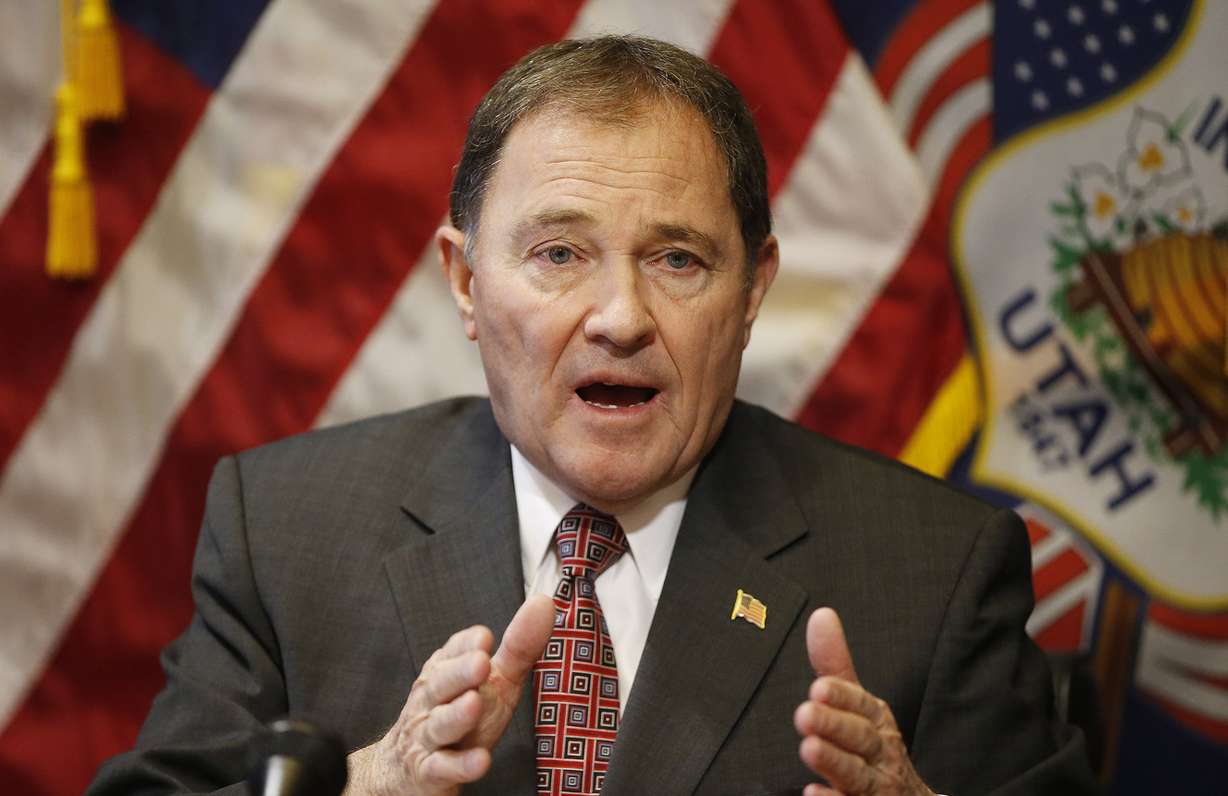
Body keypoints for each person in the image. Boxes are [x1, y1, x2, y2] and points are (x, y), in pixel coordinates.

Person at [88, 36, 1096, 795]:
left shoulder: (933, 571)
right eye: (560, 254)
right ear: (466, 281)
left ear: (752, 292)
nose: (620, 317)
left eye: (678, 260)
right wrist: (365, 782)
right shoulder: (286, 529)